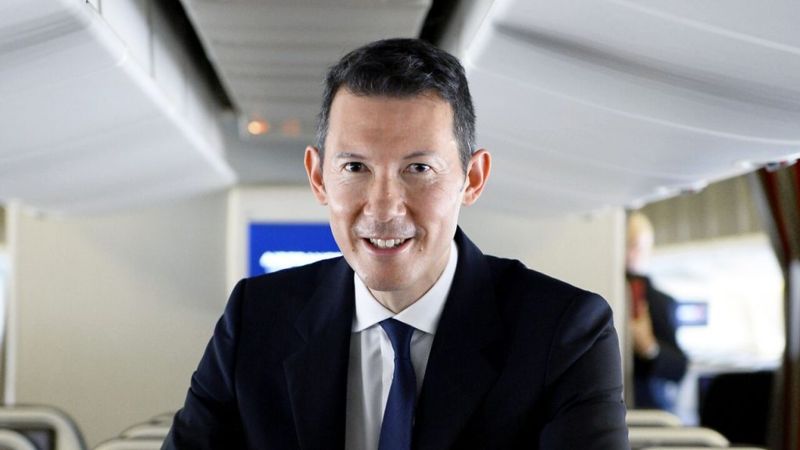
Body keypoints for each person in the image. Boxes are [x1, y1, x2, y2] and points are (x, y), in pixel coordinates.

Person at [163, 38, 628, 449]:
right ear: (318, 177)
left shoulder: (563, 334)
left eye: (418, 169)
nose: (384, 208)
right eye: (355, 168)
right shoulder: (256, 320)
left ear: (473, 178)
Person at [626, 212, 688, 411]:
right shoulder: (598, 292)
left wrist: (649, 347)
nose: (631, 253)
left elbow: (679, 368)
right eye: (627, 245)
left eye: (636, 246)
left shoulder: (660, 301)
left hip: (644, 404)